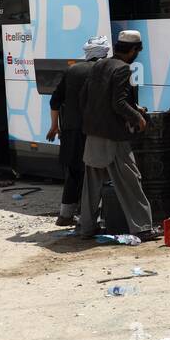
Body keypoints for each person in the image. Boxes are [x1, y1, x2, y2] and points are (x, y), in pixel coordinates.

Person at [79, 29, 159, 241]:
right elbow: (118, 103)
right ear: (133, 50)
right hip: (113, 137)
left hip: (92, 133)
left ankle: (86, 227)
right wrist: (138, 118)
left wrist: (135, 108)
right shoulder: (123, 69)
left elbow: (86, 97)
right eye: (137, 51)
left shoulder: (99, 65)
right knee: (130, 181)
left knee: (91, 184)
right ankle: (142, 227)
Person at [46, 35, 109, 226]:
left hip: (71, 130)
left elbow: (55, 101)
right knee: (94, 173)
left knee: (73, 172)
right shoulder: (104, 70)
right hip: (94, 131)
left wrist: (54, 126)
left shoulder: (72, 70)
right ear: (104, 53)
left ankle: (65, 215)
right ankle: (88, 217)